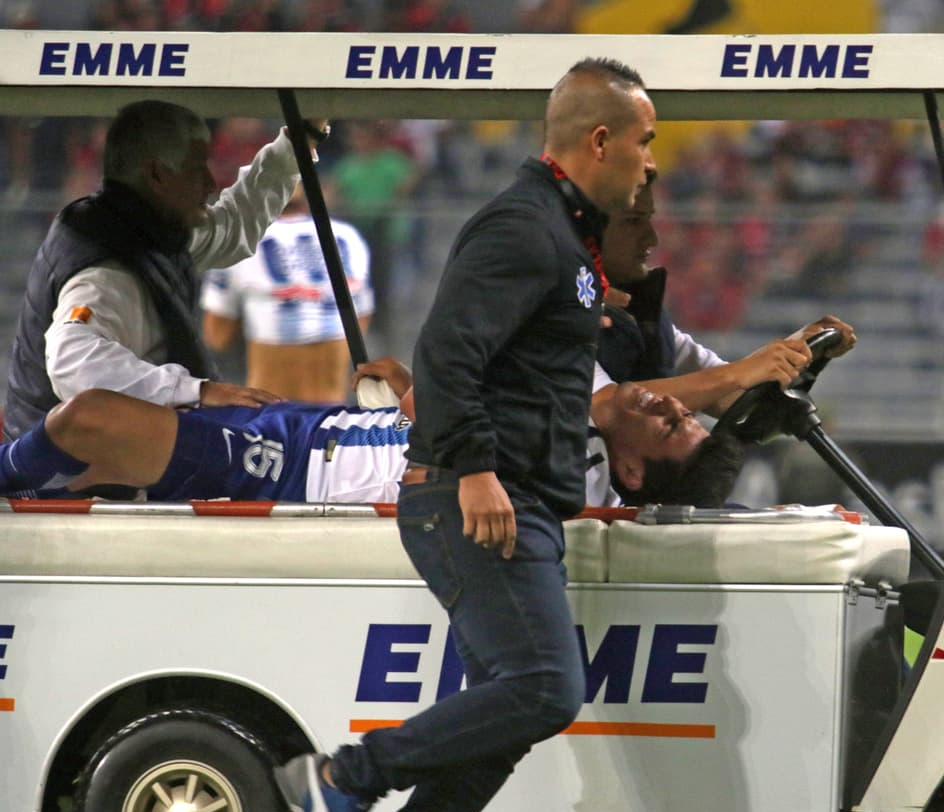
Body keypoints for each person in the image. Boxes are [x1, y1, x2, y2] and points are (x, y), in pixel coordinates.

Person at [275, 58, 659, 812]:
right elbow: (448, 351)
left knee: (508, 707)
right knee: (546, 687)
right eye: (645, 141)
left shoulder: (561, 233)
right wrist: (477, 470)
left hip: (516, 497)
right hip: (479, 496)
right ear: (599, 139)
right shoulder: (525, 227)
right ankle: (345, 775)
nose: (652, 160)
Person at [0, 358, 741, 509]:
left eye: (671, 425)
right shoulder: (579, 407)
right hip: (311, 428)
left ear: (633, 473)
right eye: (679, 408)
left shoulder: (571, 476)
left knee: (91, 417)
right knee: (93, 463)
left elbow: (451, 436)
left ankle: (4, 471)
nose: (668, 406)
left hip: (290, 473)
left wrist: (419, 395)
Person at [2, 99, 326, 441]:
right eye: (196, 167)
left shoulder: (146, 230)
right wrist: (196, 392)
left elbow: (233, 225)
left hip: (96, 470)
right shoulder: (107, 270)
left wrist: (299, 140)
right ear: (157, 175)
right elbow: (72, 360)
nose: (210, 182)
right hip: (70, 485)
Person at [595, 177, 855, 417]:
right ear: (588, 228)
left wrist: (796, 351)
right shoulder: (563, 311)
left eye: (649, 219)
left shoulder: (643, 312)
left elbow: (731, 399)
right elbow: (601, 406)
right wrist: (736, 374)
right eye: (633, 221)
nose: (651, 237)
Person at [201, 184, 374, 403]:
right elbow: (361, 322)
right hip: (332, 413)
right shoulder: (348, 237)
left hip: (271, 416)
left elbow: (217, 337)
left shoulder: (239, 243)